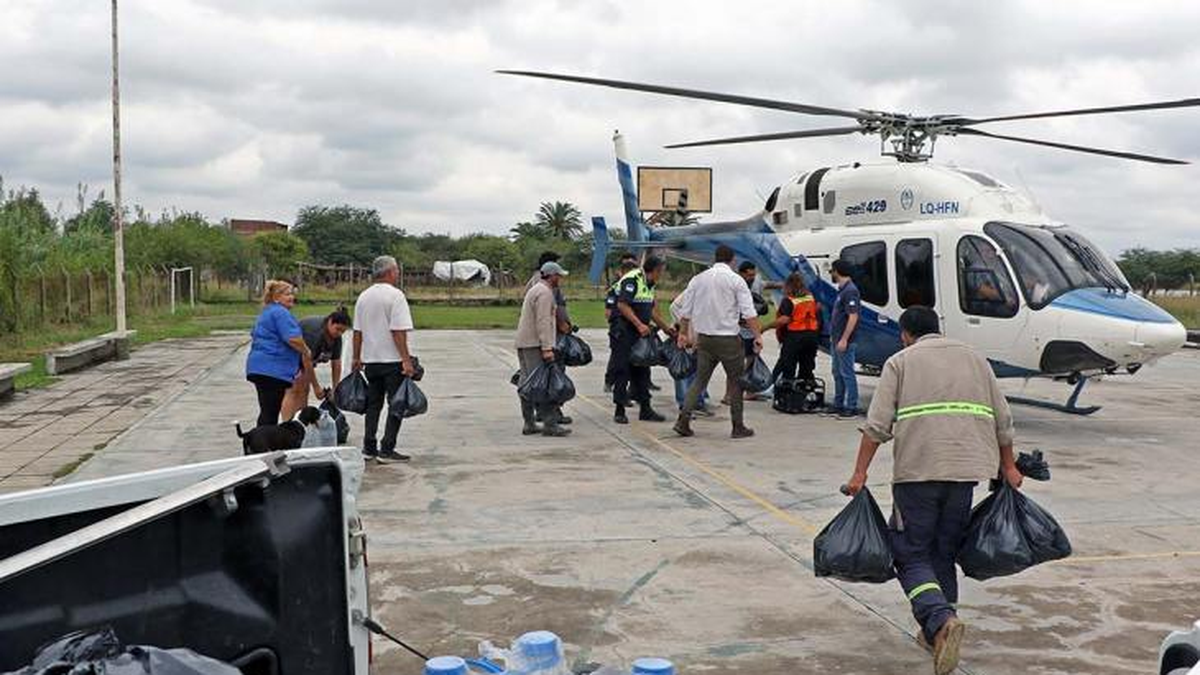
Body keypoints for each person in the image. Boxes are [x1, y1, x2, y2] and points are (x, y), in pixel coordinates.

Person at [844, 306, 1022, 675]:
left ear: (906, 333)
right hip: (966, 471)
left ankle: (940, 620)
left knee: (909, 554)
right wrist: (1009, 466)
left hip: (918, 473)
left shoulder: (901, 361)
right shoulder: (976, 360)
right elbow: (1003, 420)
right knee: (943, 550)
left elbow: (876, 426)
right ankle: (936, 632)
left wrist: (859, 474)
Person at [673, 245, 763, 439]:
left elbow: (685, 311)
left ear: (715, 258)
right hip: (728, 339)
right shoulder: (735, 280)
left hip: (705, 339)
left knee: (699, 380)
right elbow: (749, 313)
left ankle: (683, 420)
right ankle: (737, 426)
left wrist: (683, 333)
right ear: (732, 260)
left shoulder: (698, 280)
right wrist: (757, 336)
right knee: (737, 382)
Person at [352, 255, 416, 463]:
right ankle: (387, 448)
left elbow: (357, 332)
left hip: (371, 361)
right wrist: (406, 360)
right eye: (396, 270)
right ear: (389, 272)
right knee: (396, 404)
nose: (398, 274)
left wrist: (356, 357)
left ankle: (368, 447)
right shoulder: (396, 296)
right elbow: (398, 331)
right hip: (392, 361)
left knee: (374, 404)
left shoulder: (364, 297)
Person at [245, 280, 322, 429]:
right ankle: (264, 445)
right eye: (287, 294)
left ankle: (261, 443)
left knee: (267, 410)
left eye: (292, 293)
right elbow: (292, 338)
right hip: (272, 369)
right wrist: (306, 350)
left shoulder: (267, 312)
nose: (291, 297)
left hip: (259, 367)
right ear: (276, 297)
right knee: (270, 413)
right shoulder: (280, 313)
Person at [611, 256, 673, 424]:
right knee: (622, 370)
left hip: (640, 332)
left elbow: (650, 309)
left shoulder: (649, 284)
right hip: (624, 331)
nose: (662, 275)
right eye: (662, 271)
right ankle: (619, 409)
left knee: (643, 368)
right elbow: (622, 305)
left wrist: (667, 328)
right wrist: (639, 324)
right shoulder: (632, 279)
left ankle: (645, 409)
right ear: (656, 270)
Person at [515, 261, 571, 437]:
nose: (560, 279)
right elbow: (543, 322)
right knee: (543, 384)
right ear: (551, 275)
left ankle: (529, 423)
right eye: (558, 275)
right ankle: (549, 424)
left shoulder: (535, 289)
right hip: (535, 344)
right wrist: (547, 348)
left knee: (527, 383)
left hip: (525, 343)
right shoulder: (545, 293)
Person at [527, 251, 574, 425]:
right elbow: (546, 316)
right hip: (549, 337)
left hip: (539, 337)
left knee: (537, 377)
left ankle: (538, 414)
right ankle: (551, 414)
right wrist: (562, 326)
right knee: (553, 376)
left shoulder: (534, 283)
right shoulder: (546, 289)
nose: (560, 278)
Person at [281, 307, 351, 421]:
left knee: (304, 389)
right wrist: (316, 387)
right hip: (290, 355)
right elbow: (306, 360)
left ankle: (301, 423)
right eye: (337, 329)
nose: (339, 333)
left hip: (306, 358)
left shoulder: (337, 338)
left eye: (342, 331)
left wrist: (335, 389)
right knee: (294, 389)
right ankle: (286, 425)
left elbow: (336, 363)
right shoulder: (315, 333)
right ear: (330, 322)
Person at [771, 272, 821, 383]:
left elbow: (784, 319)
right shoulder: (810, 297)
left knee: (788, 365)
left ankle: (786, 392)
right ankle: (805, 391)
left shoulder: (789, 300)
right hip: (812, 336)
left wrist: (765, 327)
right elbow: (817, 311)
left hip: (795, 336)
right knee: (807, 366)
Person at [669, 284, 710, 416]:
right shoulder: (694, 290)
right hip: (686, 337)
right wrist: (684, 331)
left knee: (698, 370)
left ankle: (697, 402)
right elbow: (674, 307)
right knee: (683, 370)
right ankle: (683, 404)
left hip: (700, 338)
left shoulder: (712, 294)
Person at [829, 259, 862, 419]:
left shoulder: (850, 291)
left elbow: (853, 316)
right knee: (837, 372)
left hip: (844, 340)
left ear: (837, 271)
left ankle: (851, 406)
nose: (831, 274)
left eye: (832, 271)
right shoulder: (842, 291)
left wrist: (844, 339)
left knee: (847, 373)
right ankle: (838, 403)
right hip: (836, 339)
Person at [604, 253, 640, 395]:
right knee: (618, 360)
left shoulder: (638, 286)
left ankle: (634, 388)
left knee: (633, 360)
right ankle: (610, 381)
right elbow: (608, 312)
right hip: (619, 328)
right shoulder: (616, 288)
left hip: (632, 329)